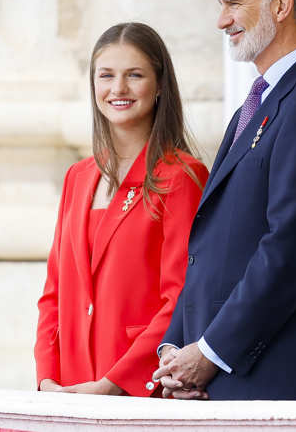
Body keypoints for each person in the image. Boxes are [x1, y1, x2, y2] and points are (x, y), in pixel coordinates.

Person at [152, 0, 296, 400]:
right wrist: (177, 350)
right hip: (215, 375)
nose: (222, 21)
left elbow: (291, 246)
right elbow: (210, 244)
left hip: (263, 373)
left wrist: (212, 352)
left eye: (234, 4)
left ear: (282, 6)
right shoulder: (255, 102)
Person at [34, 22, 208, 397]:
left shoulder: (181, 176)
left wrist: (114, 383)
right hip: (68, 388)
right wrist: (48, 377)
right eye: (106, 75)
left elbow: (180, 295)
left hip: (136, 389)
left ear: (160, 85)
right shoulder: (78, 177)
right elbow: (54, 292)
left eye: (135, 75)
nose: (118, 89)